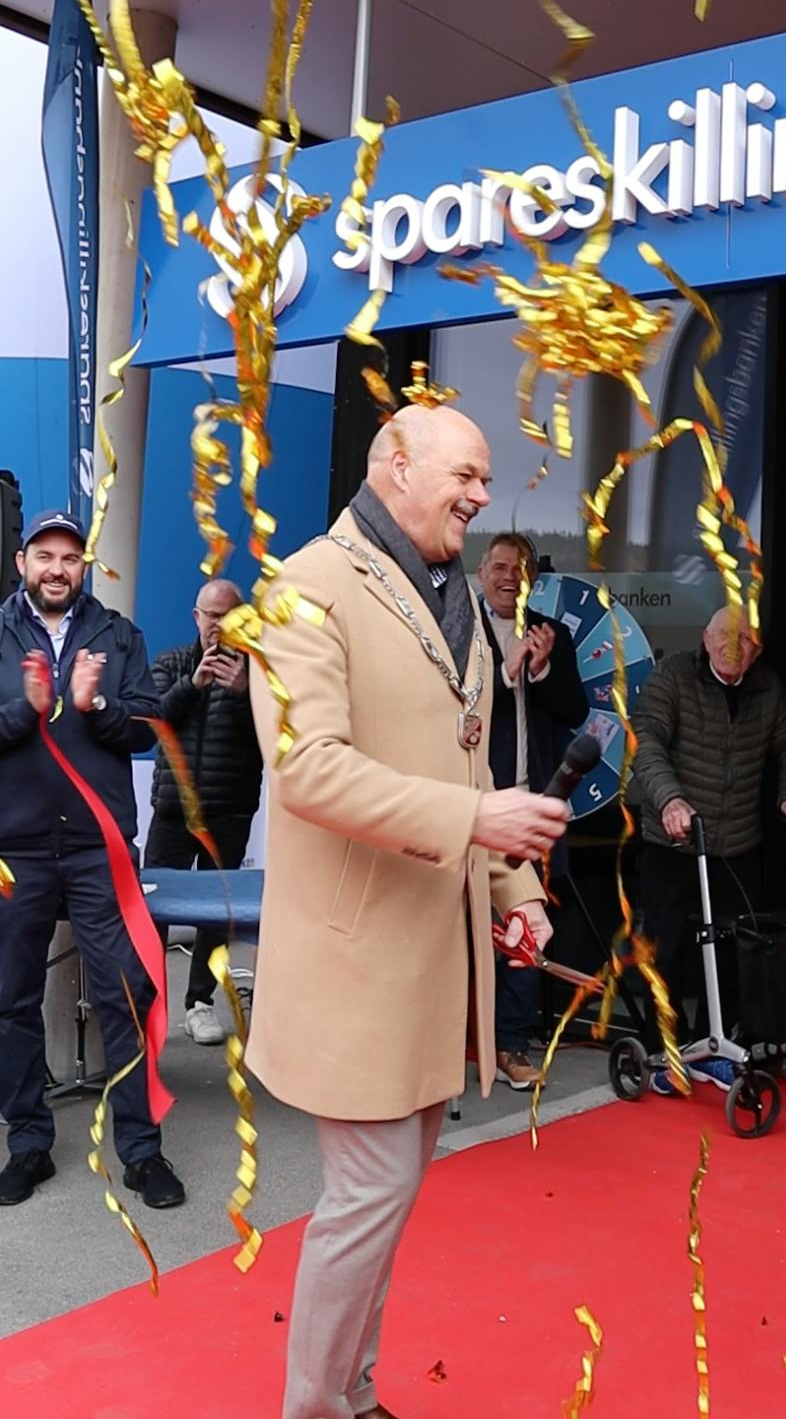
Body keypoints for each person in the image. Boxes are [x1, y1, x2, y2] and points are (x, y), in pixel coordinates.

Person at [247, 406, 567, 1419]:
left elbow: (469, 760)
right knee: (369, 1199)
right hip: (357, 966)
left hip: (434, 963)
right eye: (465, 474)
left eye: (485, 478)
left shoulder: (454, 592)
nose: (482, 495)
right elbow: (307, 769)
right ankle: (317, 1407)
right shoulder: (301, 587)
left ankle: (354, 1392)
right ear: (394, 463)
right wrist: (474, 820)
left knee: (384, 1203)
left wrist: (515, 892)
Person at [0, 510, 185, 1208]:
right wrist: (25, 711)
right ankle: (28, 1143)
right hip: (14, 850)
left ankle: (141, 1151)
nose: (57, 569)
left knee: (126, 995)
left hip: (97, 851)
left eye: (70, 558)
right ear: (22, 563)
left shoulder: (118, 635)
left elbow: (147, 727)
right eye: (44, 556)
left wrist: (95, 703)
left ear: (85, 567)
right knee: (11, 998)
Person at [631, 604, 786, 1096]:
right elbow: (646, 741)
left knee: (735, 954)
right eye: (725, 636)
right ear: (705, 638)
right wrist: (670, 799)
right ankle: (665, 1053)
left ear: (758, 651)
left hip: (737, 843)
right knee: (666, 952)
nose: (734, 646)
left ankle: (717, 1048)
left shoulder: (768, 689)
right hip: (675, 842)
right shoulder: (673, 677)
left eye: (745, 639)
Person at [476, 532, 588, 1089]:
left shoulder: (552, 634)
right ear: (481, 574)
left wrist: (541, 671)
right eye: (499, 567)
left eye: (519, 570)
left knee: (525, 925)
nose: (509, 578)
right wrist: (506, 671)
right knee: (464, 927)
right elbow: (450, 710)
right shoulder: (459, 631)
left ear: (533, 581)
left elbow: (575, 710)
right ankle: (459, 1039)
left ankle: (513, 1044)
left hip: (532, 804)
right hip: (473, 805)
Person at [144, 578, 263, 1045]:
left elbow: (278, 737)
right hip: (173, 809)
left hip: (229, 809)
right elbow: (152, 723)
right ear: (197, 617)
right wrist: (192, 685)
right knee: (153, 910)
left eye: (227, 615)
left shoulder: (261, 670)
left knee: (217, 914)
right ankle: (146, 1004)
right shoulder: (171, 662)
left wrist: (246, 693)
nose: (218, 624)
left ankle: (199, 1003)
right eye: (210, 615)